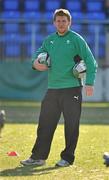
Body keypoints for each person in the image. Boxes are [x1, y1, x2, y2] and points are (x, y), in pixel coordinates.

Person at [20, 9, 97, 167]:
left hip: (72, 89)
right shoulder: (50, 40)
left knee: (71, 125)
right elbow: (37, 55)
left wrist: (89, 82)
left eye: (64, 21)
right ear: (54, 23)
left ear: (69, 22)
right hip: (53, 89)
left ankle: (67, 158)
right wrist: (35, 64)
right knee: (45, 123)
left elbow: (90, 61)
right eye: (58, 21)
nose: (61, 24)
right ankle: (38, 157)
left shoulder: (76, 39)